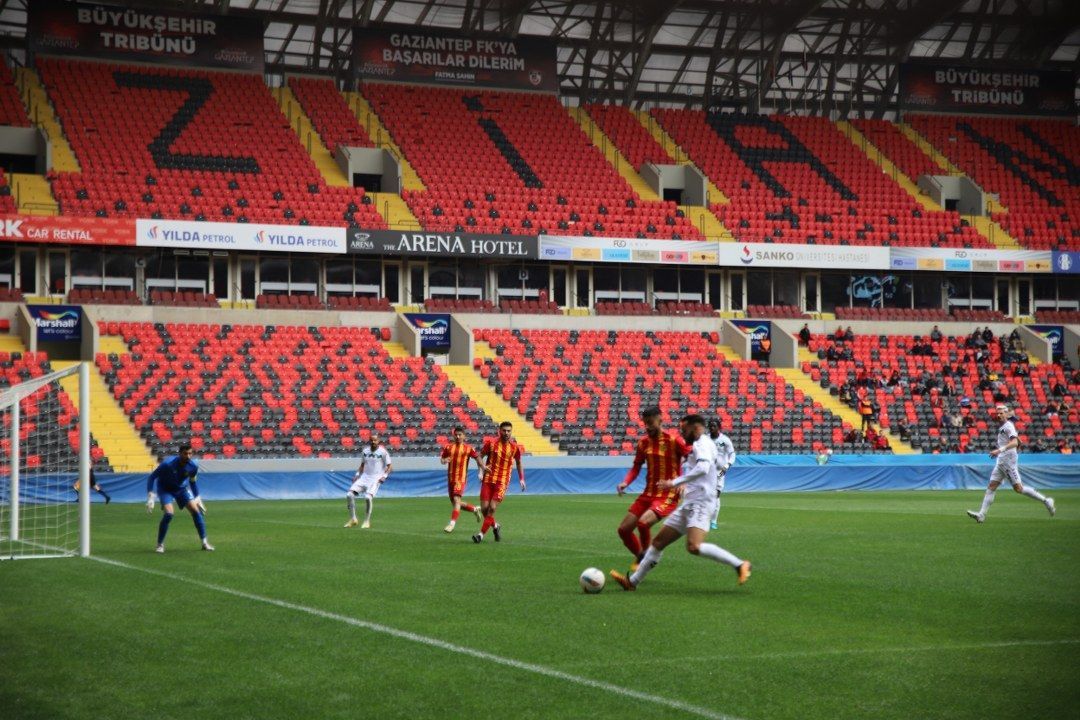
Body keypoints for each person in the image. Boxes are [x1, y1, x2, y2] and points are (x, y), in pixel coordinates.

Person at [610, 414, 750, 592]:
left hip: (701, 502)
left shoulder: (703, 444)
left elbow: (703, 468)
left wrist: (674, 482)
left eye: (684, 429)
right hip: (690, 503)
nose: (682, 433)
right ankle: (633, 582)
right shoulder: (697, 444)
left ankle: (740, 565)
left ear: (695, 427)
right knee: (658, 542)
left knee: (693, 546)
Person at [616, 407, 688, 567]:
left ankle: (647, 560)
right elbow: (636, 467)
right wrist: (625, 482)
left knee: (643, 523)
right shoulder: (643, 443)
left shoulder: (674, 440)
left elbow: (695, 458)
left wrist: (684, 481)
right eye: (645, 423)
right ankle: (642, 557)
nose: (647, 427)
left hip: (667, 494)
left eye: (651, 423)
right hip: (648, 494)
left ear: (660, 420)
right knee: (623, 530)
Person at [966, 404, 1055, 523]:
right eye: (997, 413)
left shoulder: (1008, 426)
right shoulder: (1004, 426)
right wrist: (1015, 444)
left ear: (1007, 414)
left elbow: (1014, 442)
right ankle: (982, 514)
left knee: (1019, 488)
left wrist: (1000, 450)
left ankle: (1046, 500)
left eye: (1001, 413)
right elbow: (1017, 441)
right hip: (1002, 461)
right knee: (991, 487)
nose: (999, 415)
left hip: (1007, 462)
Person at [146, 443, 212, 553]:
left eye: (190, 453)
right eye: (185, 453)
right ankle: (160, 545)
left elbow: (193, 482)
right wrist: (150, 496)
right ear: (180, 453)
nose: (188, 456)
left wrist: (197, 497)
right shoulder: (168, 464)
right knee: (169, 514)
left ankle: (204, 543)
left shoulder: (193, 466)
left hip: (181, 489)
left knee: (196, 511)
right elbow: (152, 477)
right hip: (165, 489)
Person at [474, 421, 525, 543]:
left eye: (509, 431)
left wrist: (521, 478)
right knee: (485, 509)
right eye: (504, 430)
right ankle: (496, 526)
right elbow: (479, 456)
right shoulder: (491, 444)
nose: (506, 433)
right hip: (488, 480)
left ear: (511, 432)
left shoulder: (514, 448)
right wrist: (481, 470)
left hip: (502, 482)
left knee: (491, 508)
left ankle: (480, 535)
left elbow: (518, 463)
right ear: (499, 431)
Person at [440, 426, 486, 533]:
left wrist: (480, 472)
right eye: (456, 434)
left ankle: (451, 524)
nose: (458, 436)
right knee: (456, 503)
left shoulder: (468, 448)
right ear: (453, 435)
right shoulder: (448, 447)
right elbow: (442, 460)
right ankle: (474, 509)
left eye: (460, 434)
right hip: (450, 479)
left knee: (456, 500)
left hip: (460, 479)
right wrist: (444, 460)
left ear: (464, 436)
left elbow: (478, 459)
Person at [345, 433, 392, 529]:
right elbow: (362, 464)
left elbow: (390, 466)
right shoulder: (365, 451)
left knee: (368, 498)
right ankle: (353, 519)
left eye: (375, 440)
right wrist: (357, 475)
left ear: (378, 441)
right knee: (349, 495)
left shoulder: (383, 452)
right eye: (371, 440)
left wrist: (384, 476)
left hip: (375, 478)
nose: (373, 442)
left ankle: (367, 521)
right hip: (364, 477)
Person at [707, 419, 736, 530]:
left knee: (716, 495)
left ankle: (713, 521)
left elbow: (732, 454)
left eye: (713, 426)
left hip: (720, 471)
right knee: (705, 495)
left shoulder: (725, 440)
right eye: (710, 426)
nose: (711, 428)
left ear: (719, 427)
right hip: (707, 471)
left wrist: (727, 465)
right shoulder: (706, 439)